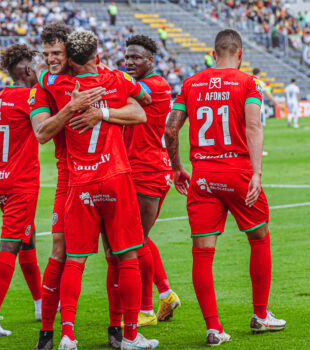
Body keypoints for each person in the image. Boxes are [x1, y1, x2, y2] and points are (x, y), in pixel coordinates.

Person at [31, 30, 158, 350]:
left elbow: (142, 104)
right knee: (81, 254)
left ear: (69, 56)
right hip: (97, 177)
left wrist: (95, 110)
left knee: (79, 257)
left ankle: (73, 334)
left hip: (80, 179)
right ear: (96, 55)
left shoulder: (52, 84)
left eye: (55, 54)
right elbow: (144, 101)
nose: (50, 61)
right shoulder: (111, 79)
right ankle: (59, 333)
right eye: (46, 55)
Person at [165, 29, 286, 347]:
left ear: (213, 52)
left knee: (202, 252)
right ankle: (260, 315)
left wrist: (177, 167)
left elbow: (170, 128)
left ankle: (213, 328)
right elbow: (253, 125)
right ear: (240, 54)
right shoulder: (247, 83)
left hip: (203, 177)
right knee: (259, 238)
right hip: (237, 173)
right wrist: (257, 173)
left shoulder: (191, 83)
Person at [0, 44, 44, 338]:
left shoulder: (0, 97)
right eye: (38, 65)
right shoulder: (30, 97)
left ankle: (41, 304)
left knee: (26, 238)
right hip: (21, 180)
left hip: (0, 177)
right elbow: (43, 131)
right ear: (28, 70)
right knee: (10, 243)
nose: (41, 68)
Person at [124, 34, 181, 327]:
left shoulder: (155, 85)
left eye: (136, 57)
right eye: (127, 57)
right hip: (137, 169)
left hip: (147, 171)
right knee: (139, 239)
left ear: (151, 60)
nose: (130, 62)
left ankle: (146, 310)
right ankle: (166, 293)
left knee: (133, 243)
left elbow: (129, 92)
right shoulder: (140, 83)